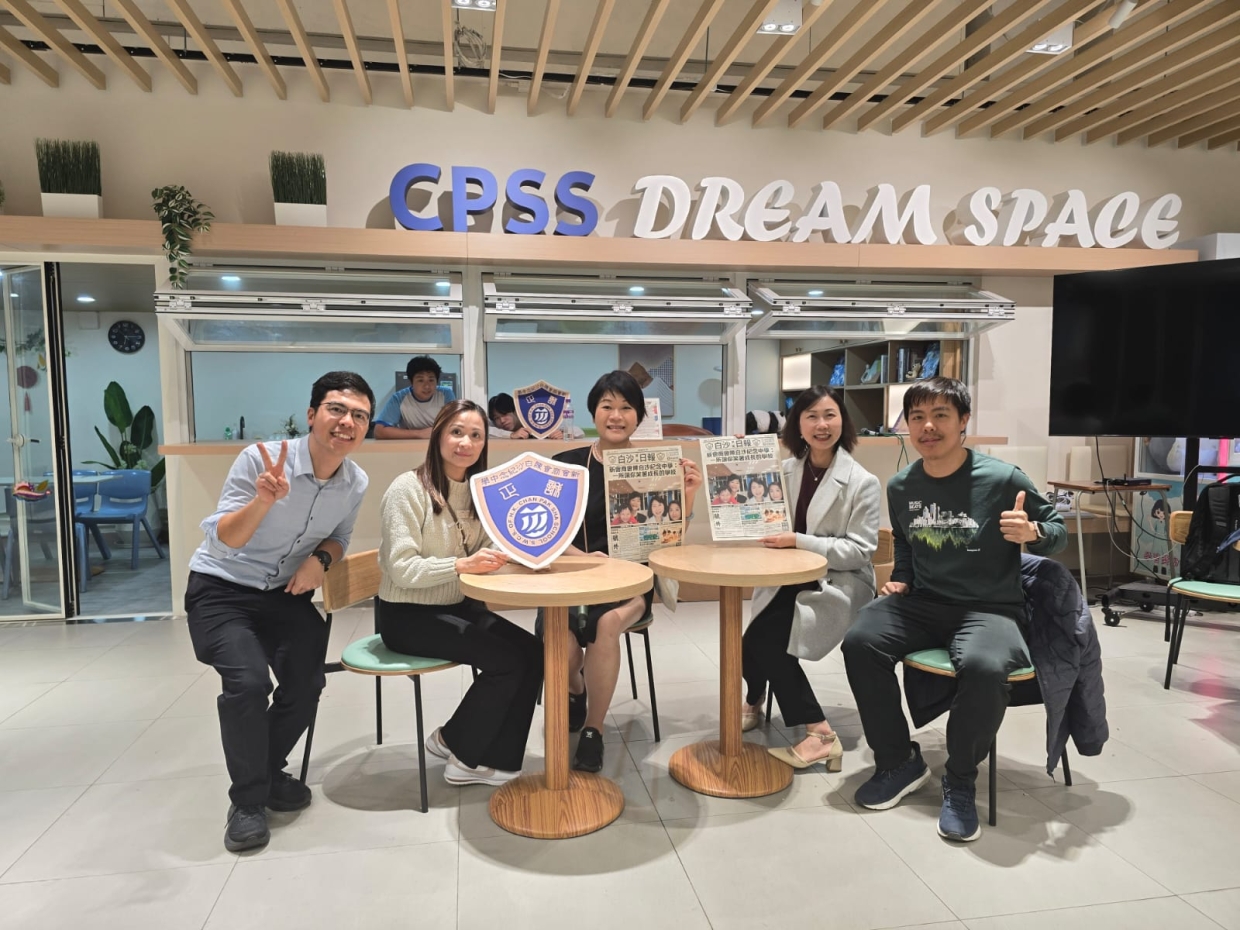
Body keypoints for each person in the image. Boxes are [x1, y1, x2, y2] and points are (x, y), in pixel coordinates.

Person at [841, 377, 1066, 842]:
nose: (928, 426)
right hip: (924, 602)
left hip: (990, 608)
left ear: (963, 421)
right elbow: (906, 542)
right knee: (860, 641)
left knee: (985, 666)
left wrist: (1034, 534)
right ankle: (898, 761)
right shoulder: (901, 485)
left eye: (940, 415)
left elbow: (1056, 528)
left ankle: (960, 779)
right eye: (917, 417)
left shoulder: (1003, 479)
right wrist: (902, 577)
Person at [185, 371, 374, 853]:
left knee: (308, 682)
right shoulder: (262, 460)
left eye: (359, 416)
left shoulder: (355, 481)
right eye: (336, 409)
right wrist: (263, 501)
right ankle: (248, 802)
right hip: (221, 589)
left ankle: (265, 770)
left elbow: (340, 537)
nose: (347, 422)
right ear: (312, 415)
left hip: (282, 595)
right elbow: (225, 540)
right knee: (249, 683)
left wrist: (321, 560)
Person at [376, 400, 543, 787]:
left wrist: (524, 548)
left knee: (535, 653)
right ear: (437, 435)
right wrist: (461, 565)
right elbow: (401, 569)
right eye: (456, 432)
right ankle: (466, 759)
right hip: (406, 615)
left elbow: (487, 547)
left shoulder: (479, 492)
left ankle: (464, 744)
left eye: (475, 435)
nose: (465, 443)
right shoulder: (407, 489)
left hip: (457, 606)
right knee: (507, 662)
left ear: (485, 443)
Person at [546, 370, 702, 773]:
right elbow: (549, 532)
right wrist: (586, 559)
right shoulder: (566, 466)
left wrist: (687, 495)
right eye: (607, 406)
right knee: (561, 639)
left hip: (633, 581)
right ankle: (576, 688)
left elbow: (668, 538)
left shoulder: (654, 465)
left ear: (639, 416)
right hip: (573, 578)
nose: (616, 416)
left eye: (626, 408)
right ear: (593, 413)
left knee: (608, 624)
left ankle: (594, 730)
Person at [741, 386, 880, 772]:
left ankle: (819, 733)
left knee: (766, 642)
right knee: (749, 642)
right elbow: (752, 509)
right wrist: (738, 457)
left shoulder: (861, 481)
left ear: (843, 422)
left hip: (837, 580)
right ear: (797, 425)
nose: (822, 425)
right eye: (812, 416)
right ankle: (754, 699)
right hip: (788, 575)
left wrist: (799, 541)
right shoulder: (784, 471)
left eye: (830, 415)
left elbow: (860, 551)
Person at [373, 356, 455, 439]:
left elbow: (454, 425)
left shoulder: (446, 395)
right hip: (409, 445)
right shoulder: (399, 398)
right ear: (411, 382)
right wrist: (420, 433)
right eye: (420, 380)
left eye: (431, 380)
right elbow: (379, 431)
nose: (427, 386)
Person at [487, 391, 583, 440]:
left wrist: (562, 433)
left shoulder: (534, 418)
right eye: (496, 418)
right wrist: (511, 435)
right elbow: (486, 431)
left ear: (516, 410)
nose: (502, 421)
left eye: (505, 414)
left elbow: (579, 432)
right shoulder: (496, 426)